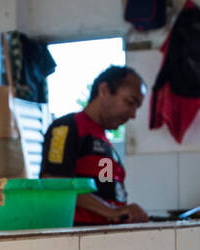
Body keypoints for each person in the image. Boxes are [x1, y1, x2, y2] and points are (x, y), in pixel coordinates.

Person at [41, 65, 149, 225]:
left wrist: (122, 212)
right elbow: (54, 182)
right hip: (78, 238)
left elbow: (105, 192)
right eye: (130, 102)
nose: (133, 114)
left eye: (136, 107)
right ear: (104, 90)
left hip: (106, 236)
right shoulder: (67, 127)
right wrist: (111, 211)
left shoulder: (105, 143)